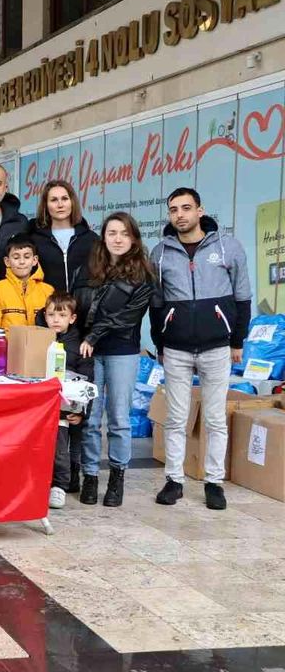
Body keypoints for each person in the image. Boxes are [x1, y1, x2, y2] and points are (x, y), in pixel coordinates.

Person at [150, 187, 251, 511]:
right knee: (176, 418)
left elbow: (242, 297)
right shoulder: (160, 252)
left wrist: (237, 340)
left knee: (215, 418)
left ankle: (214, 483)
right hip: (176, 348)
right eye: (174, 210)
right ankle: (174, 480)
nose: (180, 214)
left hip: (217, 347)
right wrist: (160, 343)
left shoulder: (227, 247)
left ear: (200, 210)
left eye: (186, 208)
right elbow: (156, 302)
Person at [73, 212, 155, 508]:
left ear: (133, 238)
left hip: (121, 351)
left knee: (119, 419)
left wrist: (92, 337)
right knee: (91, 418)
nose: (117, 239)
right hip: (88, 353)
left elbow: (127, 317)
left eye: (124, 233)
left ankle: (117, 477)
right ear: (103, 237)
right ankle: (91, 476)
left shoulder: (143, 274)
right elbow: (76, 306)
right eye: (112, 233)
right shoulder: (88, 269)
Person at [42, 292, 93, 510]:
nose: (55, 319)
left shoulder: (79, 345)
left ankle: (60, 486)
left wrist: (82, 412)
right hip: (41, 408)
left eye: (61, 315)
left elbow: (87, 381)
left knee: (60, 449)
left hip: (65, 410)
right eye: (51, 314)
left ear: (72, 318)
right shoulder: (39, 339)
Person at [27, 179, 98, 293]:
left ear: (72, 202)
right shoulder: (34, 241)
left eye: (64, 199)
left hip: (83, 307)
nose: (60, 204)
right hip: (47, 307)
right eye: (54, 200)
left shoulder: (91, 239)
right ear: (46, 205)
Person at [0, 235, 53, 340]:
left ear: (35, 260)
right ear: (7, 261)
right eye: (16, 257)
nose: (22, 262)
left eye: (27, 257)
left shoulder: (48, 291)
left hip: (40, 352)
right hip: (6, 353)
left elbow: (56, 328)